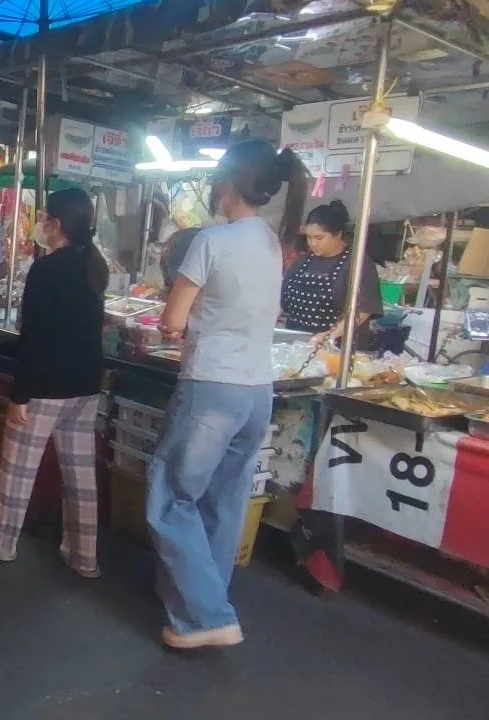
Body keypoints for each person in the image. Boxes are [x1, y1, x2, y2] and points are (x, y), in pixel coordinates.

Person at [149, 139, 306, 650]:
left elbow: (172, 319)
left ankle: (206, 616)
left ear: (228, 181)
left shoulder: (212, 241)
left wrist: (179, 324)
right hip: (257, 390)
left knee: (172, 496)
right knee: (222, 501)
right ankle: (201, 600)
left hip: (212, 386)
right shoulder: (270, 242)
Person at [0, 189, 107, 576]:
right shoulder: (94, 265)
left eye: (43, 218)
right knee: (80, 473)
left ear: (56, 225)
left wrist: (20, 394)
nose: (40, 224)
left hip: (46, 384)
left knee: (18, 467)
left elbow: (35, 337)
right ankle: (84, 555)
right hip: (86, 384)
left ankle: (0, 540)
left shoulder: (47, 269)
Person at [281, 199, 382, 345]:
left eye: (319, 238)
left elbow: (363, 311)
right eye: (309, 237)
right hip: (297, 342)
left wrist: (330, 335)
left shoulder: (357, 263)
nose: (312, 243)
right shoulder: (302, 262)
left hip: (337, 345)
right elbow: (282, 298)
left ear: (338, 233)